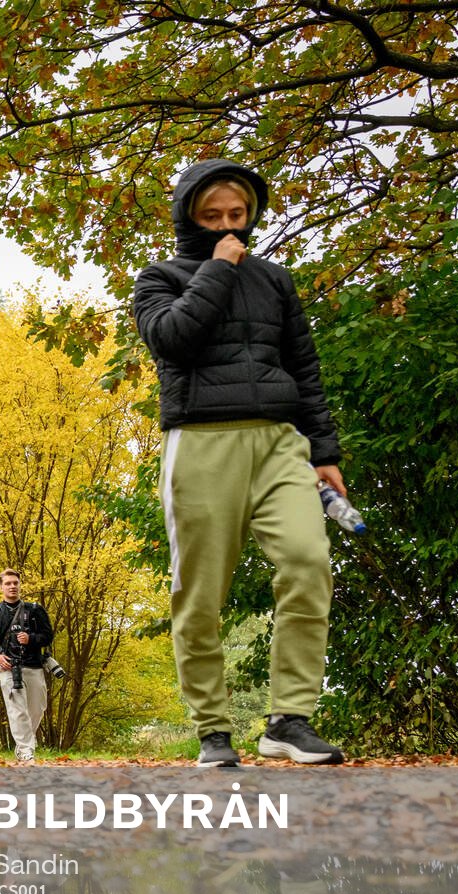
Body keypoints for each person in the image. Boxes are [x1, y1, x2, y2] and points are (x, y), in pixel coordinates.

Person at [133, 159, 346, 767]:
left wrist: (325, 453)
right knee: (200, 594)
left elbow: (305, 369)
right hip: (201, 442)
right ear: (188, 217)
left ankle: (288, 720)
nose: (229, 225)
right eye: (213, 216)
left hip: (281, 443)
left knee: (308, 563)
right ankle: (213, 730)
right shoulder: (160, 279)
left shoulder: (276, 281)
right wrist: (218, 268)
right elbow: (173, 338)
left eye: (238, 215)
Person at [0, 569, 54, 764]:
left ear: (20, 585)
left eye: (15, 583)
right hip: (10, 669)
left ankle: (24, 745)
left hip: (35, 666)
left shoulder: (35, 610)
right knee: (17, 711)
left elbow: (48, 636)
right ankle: (27, 751)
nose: (12, 586)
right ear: (1, 587)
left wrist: (31, 639)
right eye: (8, 583)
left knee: (37, 709)